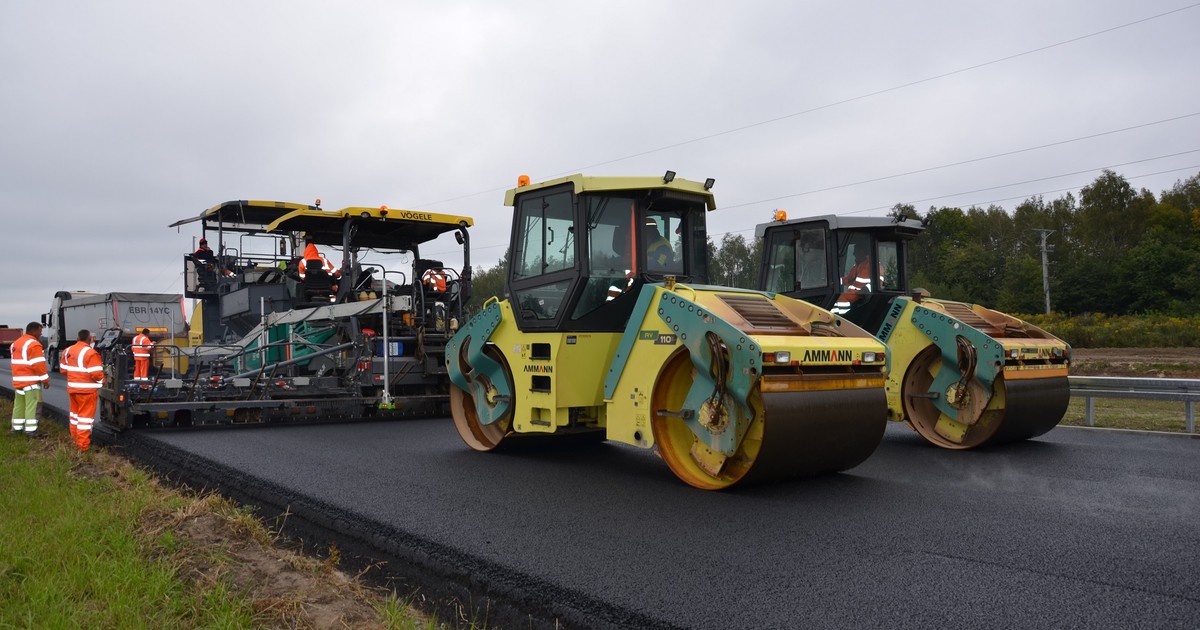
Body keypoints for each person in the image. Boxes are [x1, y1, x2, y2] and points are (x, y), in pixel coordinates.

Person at [60, 329, 104, 452]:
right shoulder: (91, 353)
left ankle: (75, 441)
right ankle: (83, 447)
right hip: (87, 392)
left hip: (73, 390)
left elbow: (63, 370)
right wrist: (102, 381)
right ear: (90, 339)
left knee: (75, 417)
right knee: (85, 419)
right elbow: (96, 374)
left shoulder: (67, 351)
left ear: (78, 338)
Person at [10, 322, 50, 438]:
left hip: (18, 382)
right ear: (34, 331)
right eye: (40, 331)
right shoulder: (34, 344)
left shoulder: (15, 344)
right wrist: (45, 380)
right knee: (33, 407)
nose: (41, 333)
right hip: (31, 383)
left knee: (19, 406)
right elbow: (38, 365)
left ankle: (16, 429)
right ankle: (31, 432)